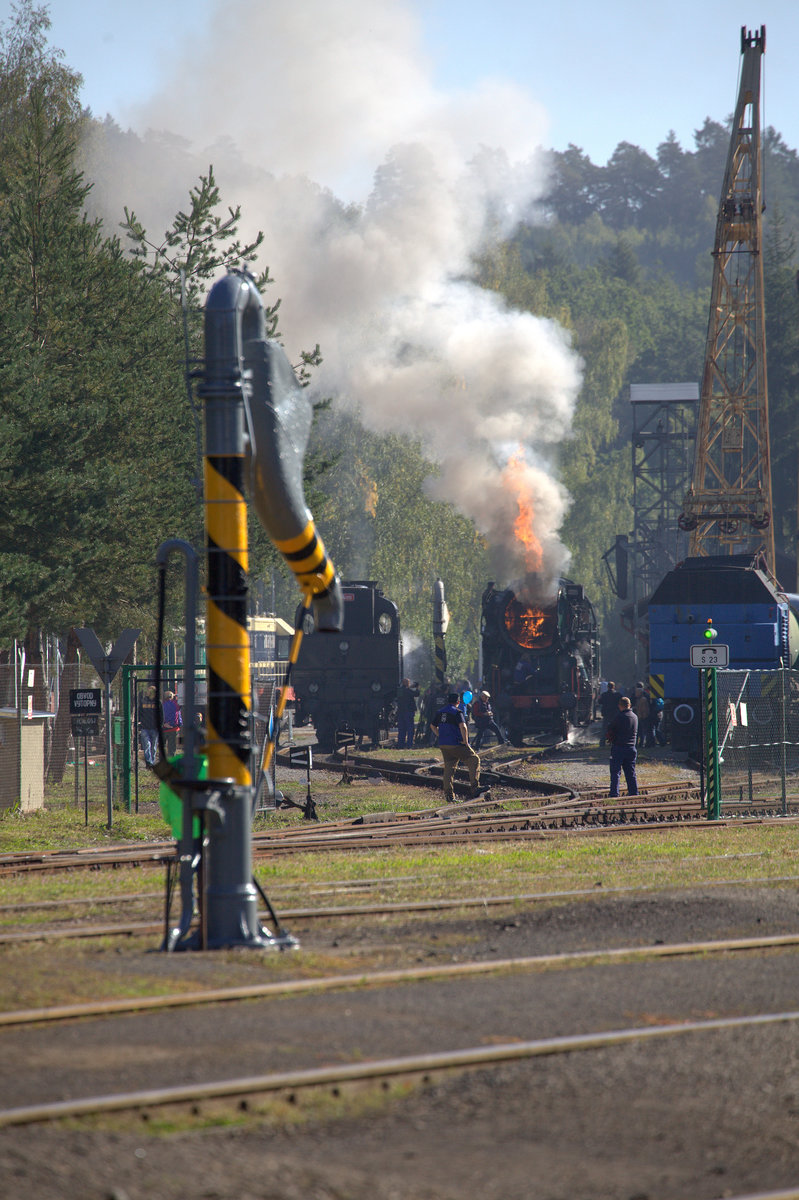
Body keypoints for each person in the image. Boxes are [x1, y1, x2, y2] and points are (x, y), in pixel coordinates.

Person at [430, 691, 481, 802]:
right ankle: (475, 788)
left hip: (443, 744)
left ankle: (449, 796)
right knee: (474, 759)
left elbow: (432, 725)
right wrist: (466, 741)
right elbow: (463, 727)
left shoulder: (440, 711)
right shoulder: (457, 712)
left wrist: (440, 735)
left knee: (449, 768)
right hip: (456, 743)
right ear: (458, 701)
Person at [606, 695, 639, 798]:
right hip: (631, 748)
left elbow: (611, 728)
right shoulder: (635, 716)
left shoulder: (619, 717)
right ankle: (634, 792)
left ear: (620, 706)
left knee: (615, 772)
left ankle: (614, 793)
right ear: (629, 705)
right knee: (631, 772)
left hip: (619, 747)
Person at [137, 683, 162, 769]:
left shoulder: (158, 702)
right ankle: (149, 763)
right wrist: (139, 723)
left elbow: (161, 715)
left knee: (154, 747)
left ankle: (152, 761)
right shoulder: (143, 701)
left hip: (155, 728)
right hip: (145, 727)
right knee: (147, 745)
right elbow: (139, 713)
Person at [395, 678, 418, 749]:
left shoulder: (399, 690)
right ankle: (409, 745)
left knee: (401, 729)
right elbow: (416, 694)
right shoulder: (408, 691)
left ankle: (400, 745)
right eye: (408, 682)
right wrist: (417, 687)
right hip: (408, 712)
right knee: (410, 729)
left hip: (400, 712)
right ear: (406, 683)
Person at [598, 681, 619, 747]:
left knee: (604, 729)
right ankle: (614, 742)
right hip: (615, 714)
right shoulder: (617, 694)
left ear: (607, 687)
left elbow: (600, 702)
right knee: (615, 728)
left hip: (606, 714)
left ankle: (602, 743)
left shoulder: (604, 695)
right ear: (614, 687)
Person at [162, 690, 182, 758]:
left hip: (163, 728)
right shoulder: (176, 704)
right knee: (172, 747)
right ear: (172, 696)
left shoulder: (162, 705)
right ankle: (171, 760)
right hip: (174, 728)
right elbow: (182, 699)